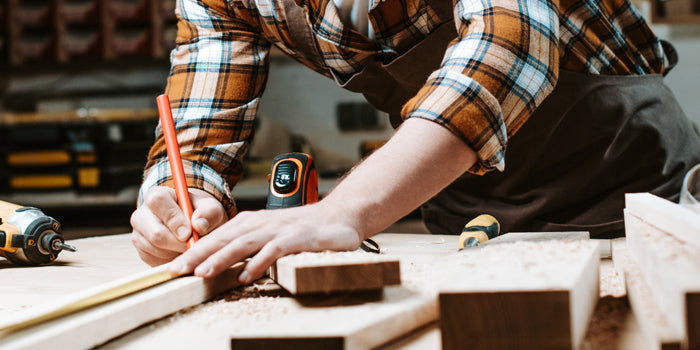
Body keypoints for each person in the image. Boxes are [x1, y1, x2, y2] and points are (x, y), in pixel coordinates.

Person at [130, 0, 700, 283]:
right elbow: (197, 130)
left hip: (631, 190)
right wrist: (177, 197)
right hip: (469, 208)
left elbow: (512, 43)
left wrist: (347, 208)